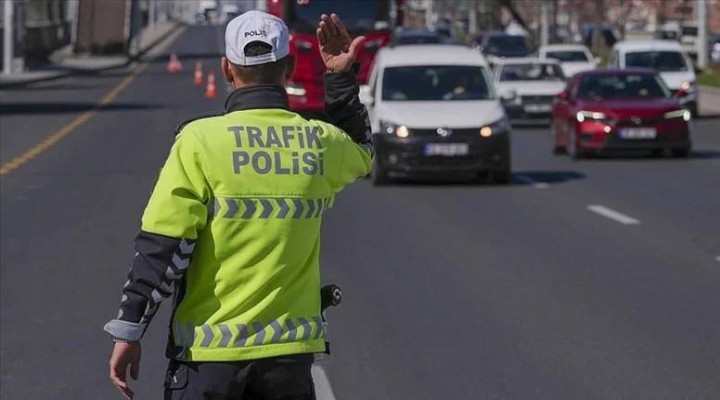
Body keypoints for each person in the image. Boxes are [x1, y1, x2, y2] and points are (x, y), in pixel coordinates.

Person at [103, 10, 372, 400]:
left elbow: (164, 246)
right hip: (288, 363)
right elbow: (363, 150)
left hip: (207, 361)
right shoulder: (317, 142)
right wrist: (340, 78)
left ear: (228, 69)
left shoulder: (199, 142)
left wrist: (130, 328)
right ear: (291, 67)